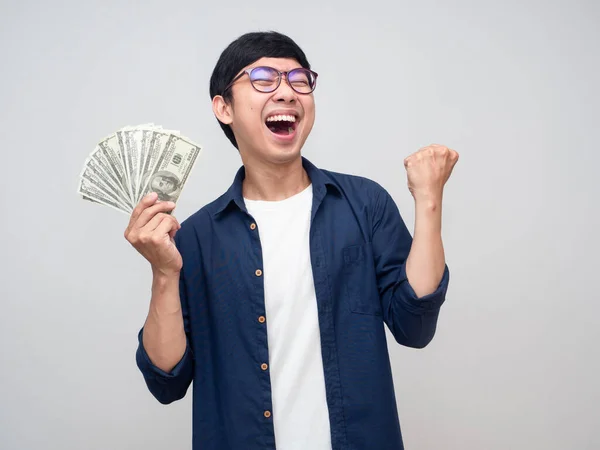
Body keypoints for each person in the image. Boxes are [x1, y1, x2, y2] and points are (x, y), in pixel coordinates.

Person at [125, 31, 458, 450]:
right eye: (264, 78)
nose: (286, 91)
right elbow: (165, 380)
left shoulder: (363, 204)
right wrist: (163, 272)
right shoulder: (194, 237)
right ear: (223, 107)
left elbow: (415, 326)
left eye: (300, 80)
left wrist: (428, 201)